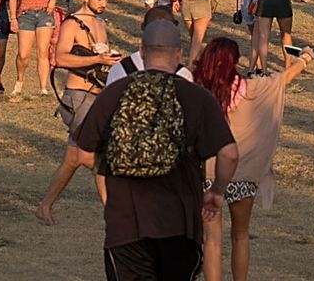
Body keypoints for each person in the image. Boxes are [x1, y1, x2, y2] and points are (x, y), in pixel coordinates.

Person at [70, 19, 240, 281]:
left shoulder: (114, 93)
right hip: (180, 227)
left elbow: (83, 154)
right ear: (178, 54)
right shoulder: (197, 97)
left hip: (125, 226)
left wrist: (113, 170)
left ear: (142, 51)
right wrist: (217, 192)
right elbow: (229, 154)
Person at [192, 37, 312, 281]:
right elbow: (283, 79)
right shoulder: (252, 88)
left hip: (208, 174)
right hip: (244, 172)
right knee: (241, 235)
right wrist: (306, 58)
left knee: (211, 240)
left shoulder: (197, 90)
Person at [36, 0, 118, 225]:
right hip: (78, 98)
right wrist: (97, 59)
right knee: (94, 157)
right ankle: (113, 213)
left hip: (96, 97)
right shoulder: (73, 24)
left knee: (75, 157)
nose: (103, 3)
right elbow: (60, 58)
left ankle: (46, 206)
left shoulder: (100, 23)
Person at [10, 0, 58, 98]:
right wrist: (13, 18)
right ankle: (20, 79)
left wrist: (53, 0)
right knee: (23, 54)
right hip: (26, 14)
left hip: (44, 13)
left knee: (42, 52)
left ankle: (43, 87)